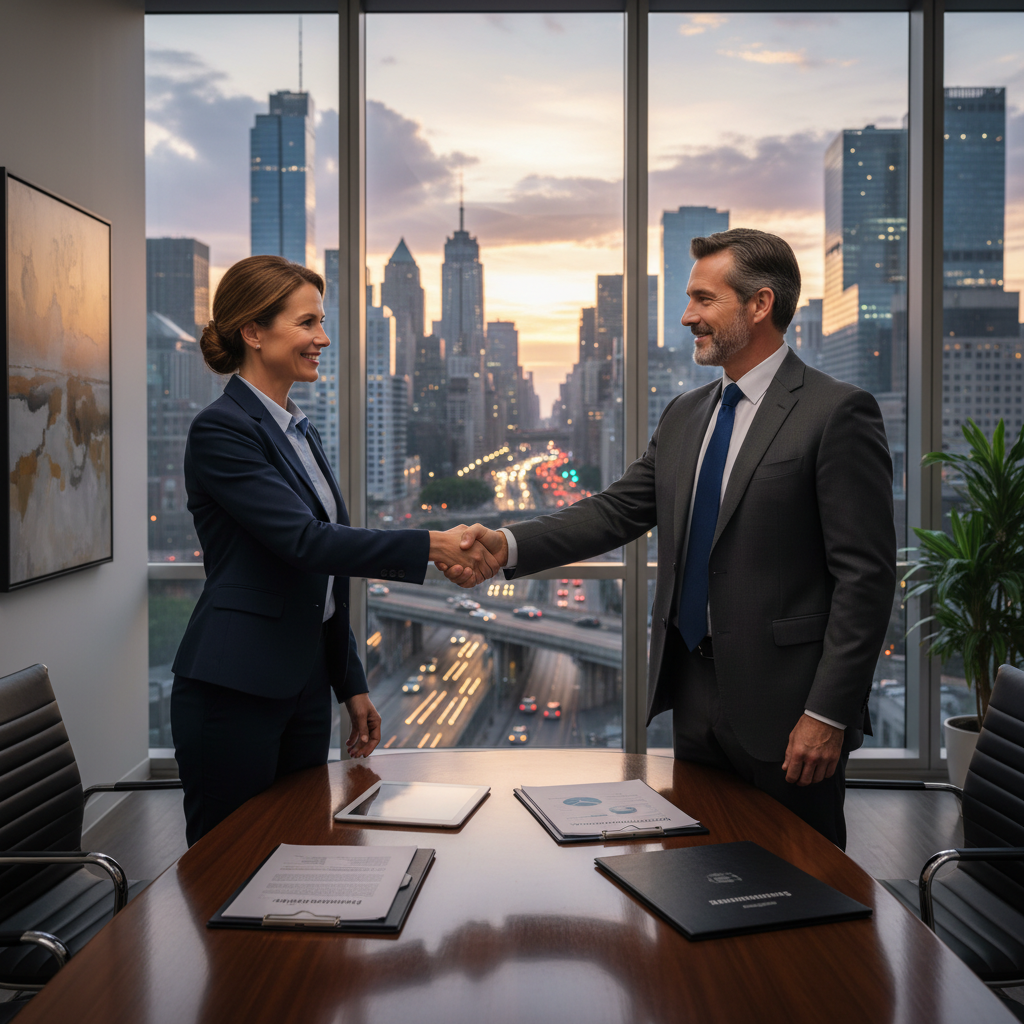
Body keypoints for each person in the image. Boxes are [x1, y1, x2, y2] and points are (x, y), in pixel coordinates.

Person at [445, 229, 896, 848]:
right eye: (689, 299)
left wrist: (827, 712)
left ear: (760, 304)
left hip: (788, 707)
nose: (687, 316)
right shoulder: (686, 414)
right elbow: (616, 511)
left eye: (704, 300)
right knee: (703, 867)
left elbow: (865, 579)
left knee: (800, 873)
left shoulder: (836, 412)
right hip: (694, 693)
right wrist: (505, 546)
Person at [171, 255, 500, 845]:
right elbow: (307, 543)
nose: (323, 338)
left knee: (300, 848)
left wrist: (350, 683)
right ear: (253, 332)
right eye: (307, 323)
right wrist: (431, 543)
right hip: (234, 686)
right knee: (230, 859)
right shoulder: (221, 430)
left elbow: (319, 589)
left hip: (301, 686)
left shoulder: (299, 431)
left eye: (320, 322)